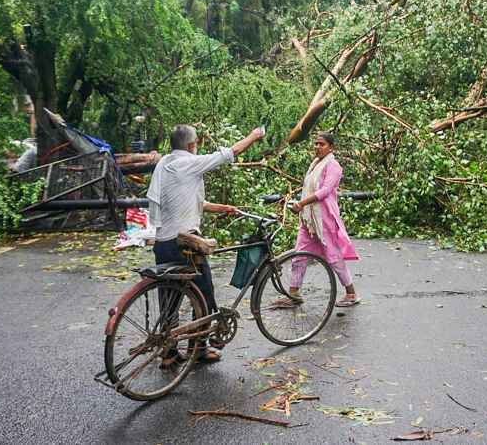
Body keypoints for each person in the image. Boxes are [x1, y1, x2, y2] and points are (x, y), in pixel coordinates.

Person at [147, 123, 264, 364]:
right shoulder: (189, 162)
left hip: (162, 243)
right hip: (185, 245)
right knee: (205, 294)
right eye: (197, 143)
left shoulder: (165, 164)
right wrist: (255, 135)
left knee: (170, 296)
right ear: (192, 145)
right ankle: (198, 349)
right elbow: (230, 153)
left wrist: (220, 208)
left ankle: (169, 353)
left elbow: (184, 199)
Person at [289, 132, 360, 307]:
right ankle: (293, 293)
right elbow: (309, 187)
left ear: (331, 147)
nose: (317, 147)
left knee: (333, 257)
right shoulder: (315, 164)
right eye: (316, 144)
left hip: (324, 219)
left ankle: (351, 293)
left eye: (322, 144)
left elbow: (325, 191)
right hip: (309, 219)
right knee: (299, 255)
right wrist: (302, 207)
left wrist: (302, 203)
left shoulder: (333, 166)